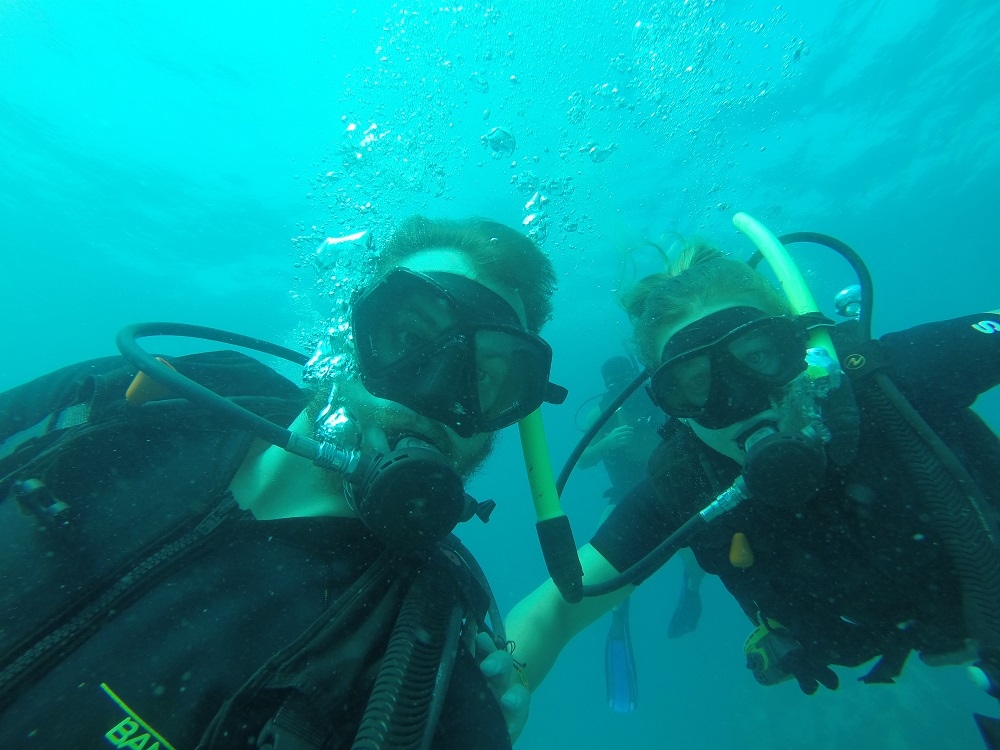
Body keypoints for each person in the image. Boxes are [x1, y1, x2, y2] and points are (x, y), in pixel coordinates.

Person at [0, 216, 560, 748]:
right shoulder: (155, 395)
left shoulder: (419, 658)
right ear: (350, 332)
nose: (435, 395)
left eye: (483, 376)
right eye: (411, 338)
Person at [506, 224, 1000, 746]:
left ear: (805, 349)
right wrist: (489, 695)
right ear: (672, 407)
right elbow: (556, 607)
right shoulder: (687, 480)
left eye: (761, 356)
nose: (742, 400)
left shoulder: (888, 379)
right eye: (697, 383)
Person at [576, 356, 704, 712]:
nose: (623, 391)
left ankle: (692, 589)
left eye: (626, 382)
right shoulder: (601, 413)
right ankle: (618, 612)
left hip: (670, 483)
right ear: (608, 388)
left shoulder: (657, 395)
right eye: (615, 385)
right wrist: (609, 441)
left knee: (696, 549)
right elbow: (583, 460)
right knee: (605, 552)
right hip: (624, 492)